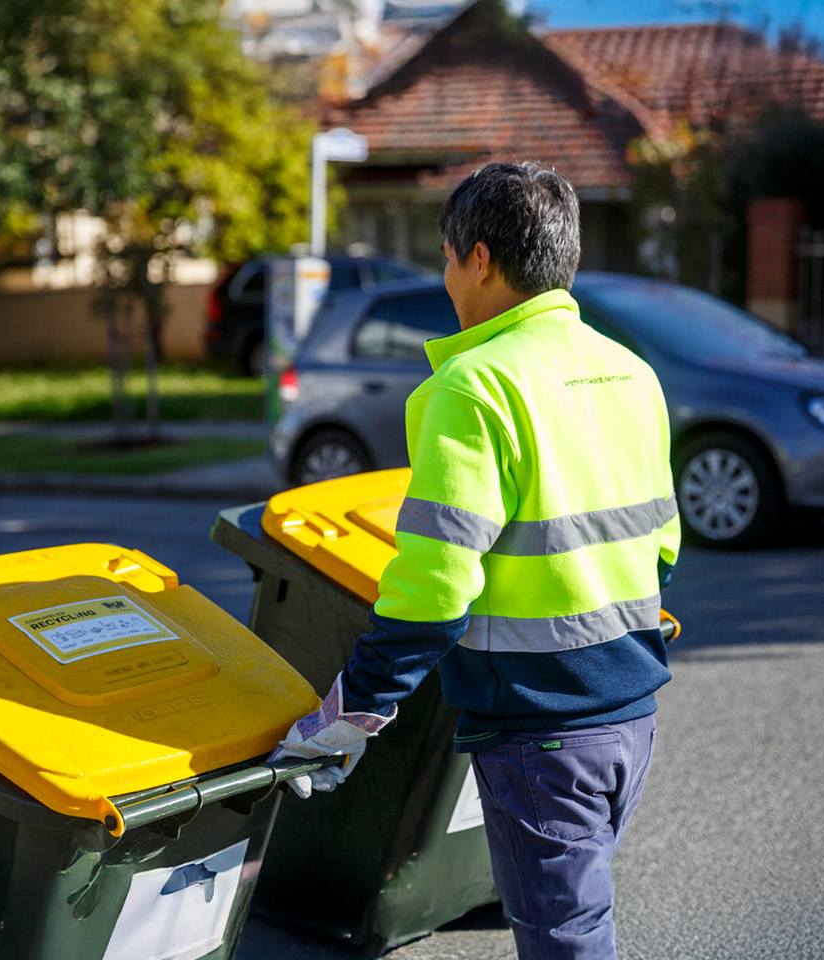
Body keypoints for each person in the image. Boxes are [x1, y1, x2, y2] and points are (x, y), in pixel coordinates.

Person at [271, 161, 680, 960]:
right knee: (581, 924)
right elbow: (660, 547)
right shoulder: (633, 374)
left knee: (567, 941)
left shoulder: (473, 385)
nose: (447, 277)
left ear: (482, 259)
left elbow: (435, 587)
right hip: (631, 716)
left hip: (541, 733)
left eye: (448, 258)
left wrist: (351, 711)